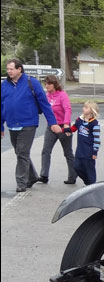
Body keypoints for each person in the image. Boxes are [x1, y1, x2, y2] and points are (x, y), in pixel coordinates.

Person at [1, 59, 62, 192]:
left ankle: (21, 183)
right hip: (12, 124)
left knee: (22, 152)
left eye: (11, 69)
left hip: (28, 123)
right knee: (19, 152)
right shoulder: (4, 85)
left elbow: (44, 104)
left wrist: (53, 123)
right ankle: (32, 176)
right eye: (8, 69)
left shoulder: (31, 82)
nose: (9, 71)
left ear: (19, 69)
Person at [39, 75, 77, 184]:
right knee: (46, 151)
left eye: (49, 84)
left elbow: (68, 109)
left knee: (68, 153)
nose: (47, 86)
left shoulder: (62, 95)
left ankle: (72, 176)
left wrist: (66, 124)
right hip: (51, 126)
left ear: (54, 84)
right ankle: (44, 175)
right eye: (45, 84)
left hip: (63, 126)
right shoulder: (46, 96)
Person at [70, 101, 101, 185]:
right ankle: (87, 183)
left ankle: (92, 185)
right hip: (80, 151)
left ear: (92, 110)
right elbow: (73, 128)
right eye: (84, 107)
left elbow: (97, 139)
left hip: (89, 153)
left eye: (86, 108)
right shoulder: (79, 120)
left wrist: (95, 152)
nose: (83, 108)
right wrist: (64, 130)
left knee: (90, 170)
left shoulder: (94, 123)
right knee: (77, 167)